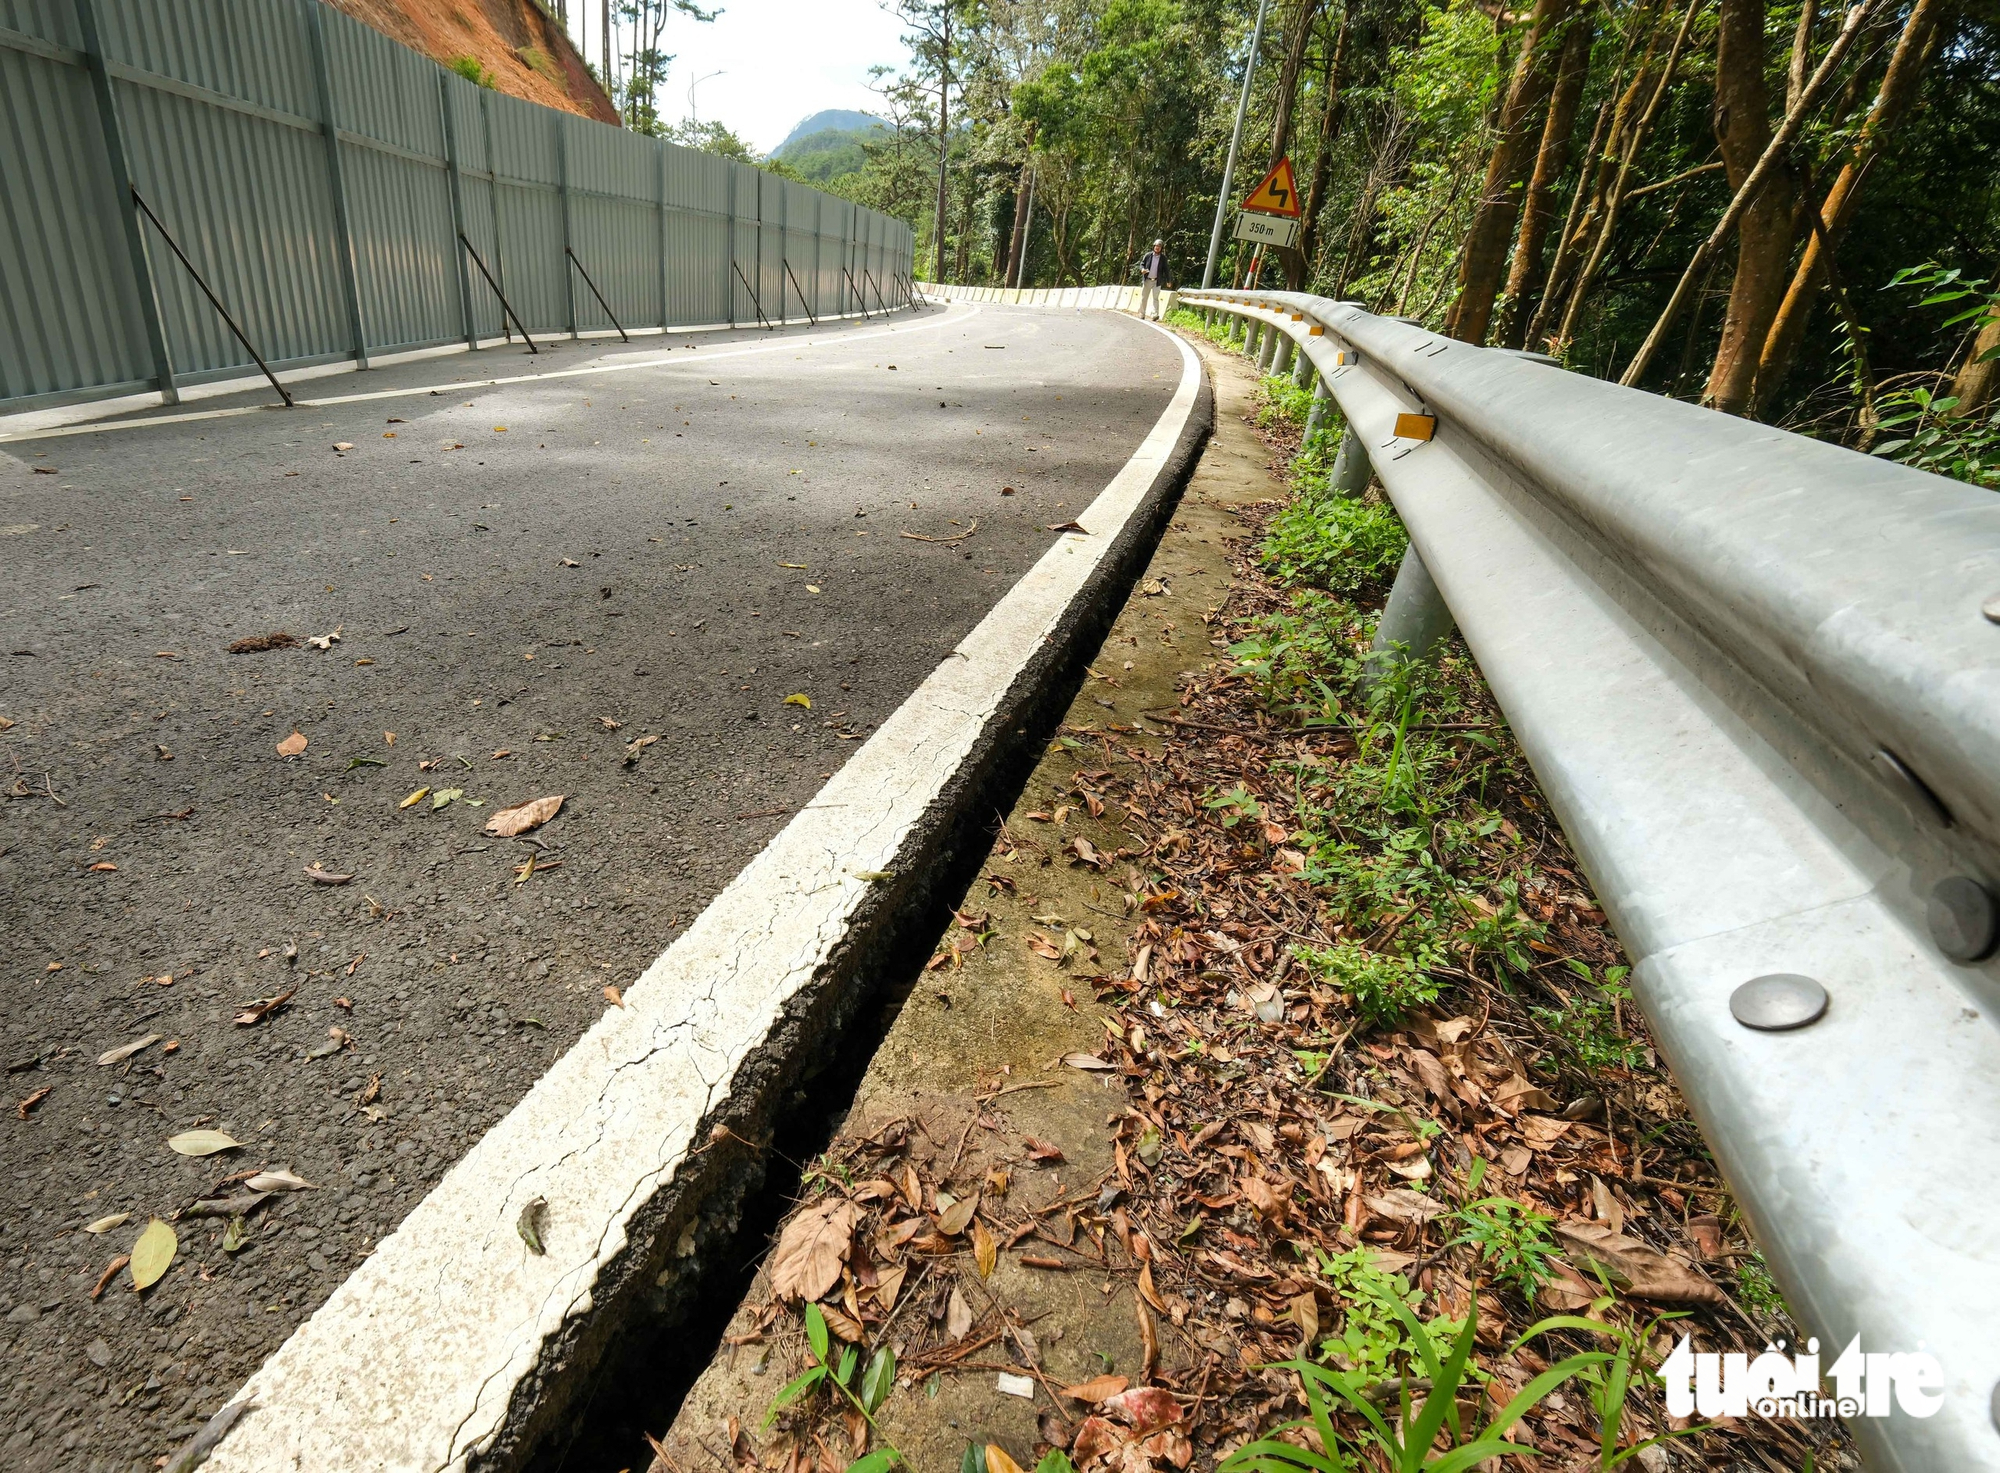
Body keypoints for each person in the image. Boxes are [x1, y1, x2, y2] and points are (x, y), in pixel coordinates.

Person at [1136, 239, 1169, 320]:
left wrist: (1169, 280)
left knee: (1155, 298)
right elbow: (1142, 264)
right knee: (1144, 297)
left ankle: (1154, 314)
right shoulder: (1148, 255)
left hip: (1157, 281)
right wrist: (1142, 269)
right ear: (1154, 246)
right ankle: (1142, 313)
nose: (1157, 248)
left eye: (1159, 247)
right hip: (1147, 280)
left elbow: (1166, 270)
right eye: (1156, 246)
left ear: (1161, 248)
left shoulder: (1163, 258)